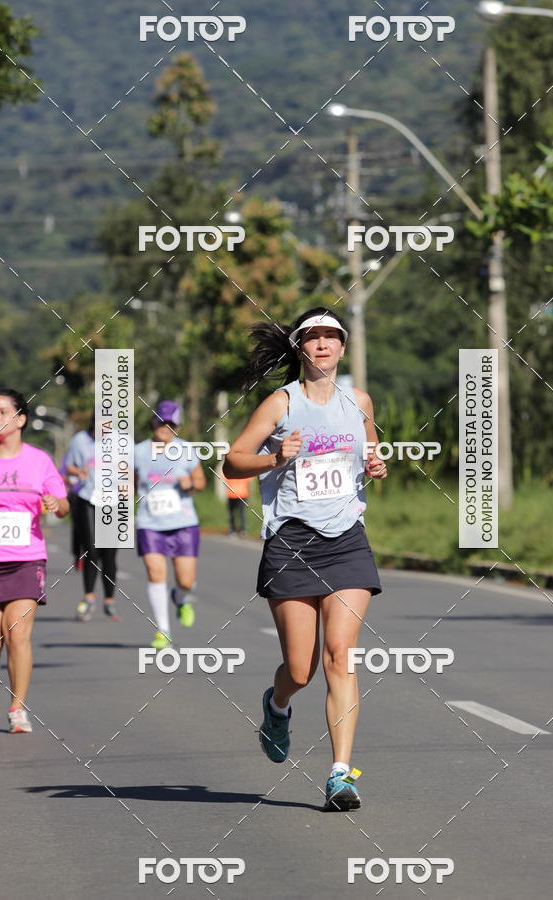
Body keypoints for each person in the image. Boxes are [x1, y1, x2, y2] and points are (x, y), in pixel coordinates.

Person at [223, 307, 387, 811]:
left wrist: (376, 463)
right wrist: (276, 457)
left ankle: (341, 775)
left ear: (342, 347)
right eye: (312, 337)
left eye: (331, 337)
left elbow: (370, 451)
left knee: (341, 653)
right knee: (301, 668)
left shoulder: (357, 401)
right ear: (299, 347)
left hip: (346, 540)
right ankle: (277, 706)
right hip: (291, 542)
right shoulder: (280, 403)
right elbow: (232, 459)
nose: (322, 344)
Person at [0, 388, 69, 733]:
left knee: (17, 633)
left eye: (1, 411)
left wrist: (56, 503)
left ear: (20, 419)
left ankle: (17, 708)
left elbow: (64, 503)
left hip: (26, 559)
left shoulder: (39, 460)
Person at [134, 401, 205, 649]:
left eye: (171, 424)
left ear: (178, 426)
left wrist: (191, 484)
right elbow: (129, 483)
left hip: (183, 522)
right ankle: (163, 630)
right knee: (155, 574)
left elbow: (200, 481)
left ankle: (181, 598)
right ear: (153, 422)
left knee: (186, 581)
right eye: (161, 422)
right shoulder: (138, 452)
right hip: (149, 522)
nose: (165, 427)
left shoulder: (186, 450)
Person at [66, 418, 120, 621]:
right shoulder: (79, 440)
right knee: (91, 550)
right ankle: (88, 597)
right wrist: (78, 471)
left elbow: (130, 470)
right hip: (87, 498)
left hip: (112, 501)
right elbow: (68, 466)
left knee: (109, 554)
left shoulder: (122, 442)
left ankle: (109, 600)